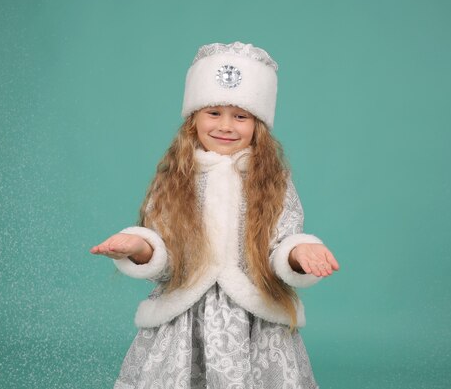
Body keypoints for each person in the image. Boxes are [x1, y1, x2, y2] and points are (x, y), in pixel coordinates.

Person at [90, 41, 340, 388]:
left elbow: (281, 242)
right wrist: (139, 246)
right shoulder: (174, 180)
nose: (226, 126)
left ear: (258, 125)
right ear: (193, 119)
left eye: (240, 116)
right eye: (213, 113)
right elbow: (164, 255)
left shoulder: (273, 181)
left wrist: (299, 251)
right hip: (184, 318)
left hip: (256, 323)